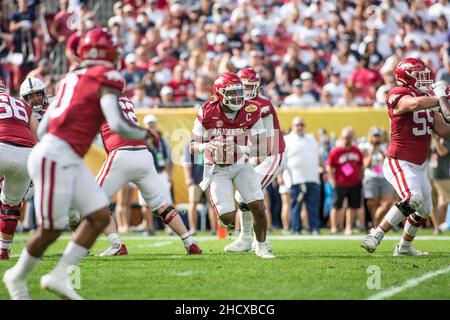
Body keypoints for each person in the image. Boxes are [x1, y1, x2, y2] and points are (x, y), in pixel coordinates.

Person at [2, 28, 152, 300]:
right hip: (56, 156)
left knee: (96, 215)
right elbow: (117, 123)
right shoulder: (104, 78)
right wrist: (144, 135)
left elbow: (45, 126)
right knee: (52, 227)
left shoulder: (70, 81)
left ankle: (60, 275)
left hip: (58, 154)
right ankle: (17, 276)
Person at [84, 96, 202, 256]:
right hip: (143, 153)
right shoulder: (125, 99)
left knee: (93, 201)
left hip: (120, 152)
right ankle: (189, 242)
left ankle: (115, 244)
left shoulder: (102, 98)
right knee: (160, 204)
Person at [361, 58, 450, 256]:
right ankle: (376, 234)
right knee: (413, 197)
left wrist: (442, 101)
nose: (425, 80)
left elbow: (442, 130)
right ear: (407, 77)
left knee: (424, 210)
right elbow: (414, 104)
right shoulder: (397, 93)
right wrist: (442, 97)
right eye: (420, 76)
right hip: (398, 160)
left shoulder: (427, 97)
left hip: (418, 164)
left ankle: (404, 247)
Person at [190, 71, 272, 259]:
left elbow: (262, 149)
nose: (238, 97)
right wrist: (207, 145)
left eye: (239, 92)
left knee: (258, 206)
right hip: (217, 168)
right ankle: (228, 220)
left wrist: (239, 148)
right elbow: (192, 146)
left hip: (241, 163)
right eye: (232, 93)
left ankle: (261, 246)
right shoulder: (207, 111)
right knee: (227, 218)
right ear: (220, 94)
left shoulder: (251, 109)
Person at [224, 68, 286, 253]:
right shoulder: (239, 103)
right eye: (245, 86)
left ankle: (257, 241)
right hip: (255, 154)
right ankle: (246, 239)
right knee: (243, 194)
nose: (248, 89)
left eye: (251, 86)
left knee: (246, 193)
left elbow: (264, 144)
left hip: (272, 155)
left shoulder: (260, 105)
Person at [0, 78, 39, 260]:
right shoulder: (20, 104)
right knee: (11, 206)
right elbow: (38, 133)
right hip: (27, 153)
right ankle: (4, 250)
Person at [284, 117, 321, 235]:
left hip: (313, 178)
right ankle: (296, 229)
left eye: (301, 124)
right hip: (296, 179)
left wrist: (323, 169)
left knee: (313, 206)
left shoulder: (311, 139)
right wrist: (281, 176)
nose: (299, 127)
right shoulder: (287, 139)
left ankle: (314, 228)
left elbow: (318, 156)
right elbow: (281, 159)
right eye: (297, 125)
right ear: (293, 126)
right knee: (296, 206)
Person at [327, 127, 364, 235]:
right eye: (345, 137)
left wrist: (360, 177)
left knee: (352, 206)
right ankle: (334, 227)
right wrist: (332, 180)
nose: (346, 139)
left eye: (349, 137)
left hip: (354, 183)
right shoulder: (336, 151)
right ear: (341, 138)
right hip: (340, 183)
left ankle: (349, 227)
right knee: (336, 205)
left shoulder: (356, 151)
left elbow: (361, 165)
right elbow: (329, 167)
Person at [182, 141, 216, 236]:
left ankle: (214, 229)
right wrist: (188, 177)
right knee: (193, 202)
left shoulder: (211, 139)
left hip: (209, 178)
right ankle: (193, 229)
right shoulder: (190, 142)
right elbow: (186, 161)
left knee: (212, 204)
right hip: (195, 178)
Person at [362, 127, 393, 227]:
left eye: (378, 136)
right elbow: (366, 165)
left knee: (386, 203)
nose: (376, 138)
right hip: (371, 177)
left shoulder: (386, 146)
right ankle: (376, 225)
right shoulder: (366, 147)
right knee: (373, 204)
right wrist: (371, 153)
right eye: (375, 136)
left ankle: (376, 224)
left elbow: (389, 161)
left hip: (384, 177)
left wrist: (380, 152)